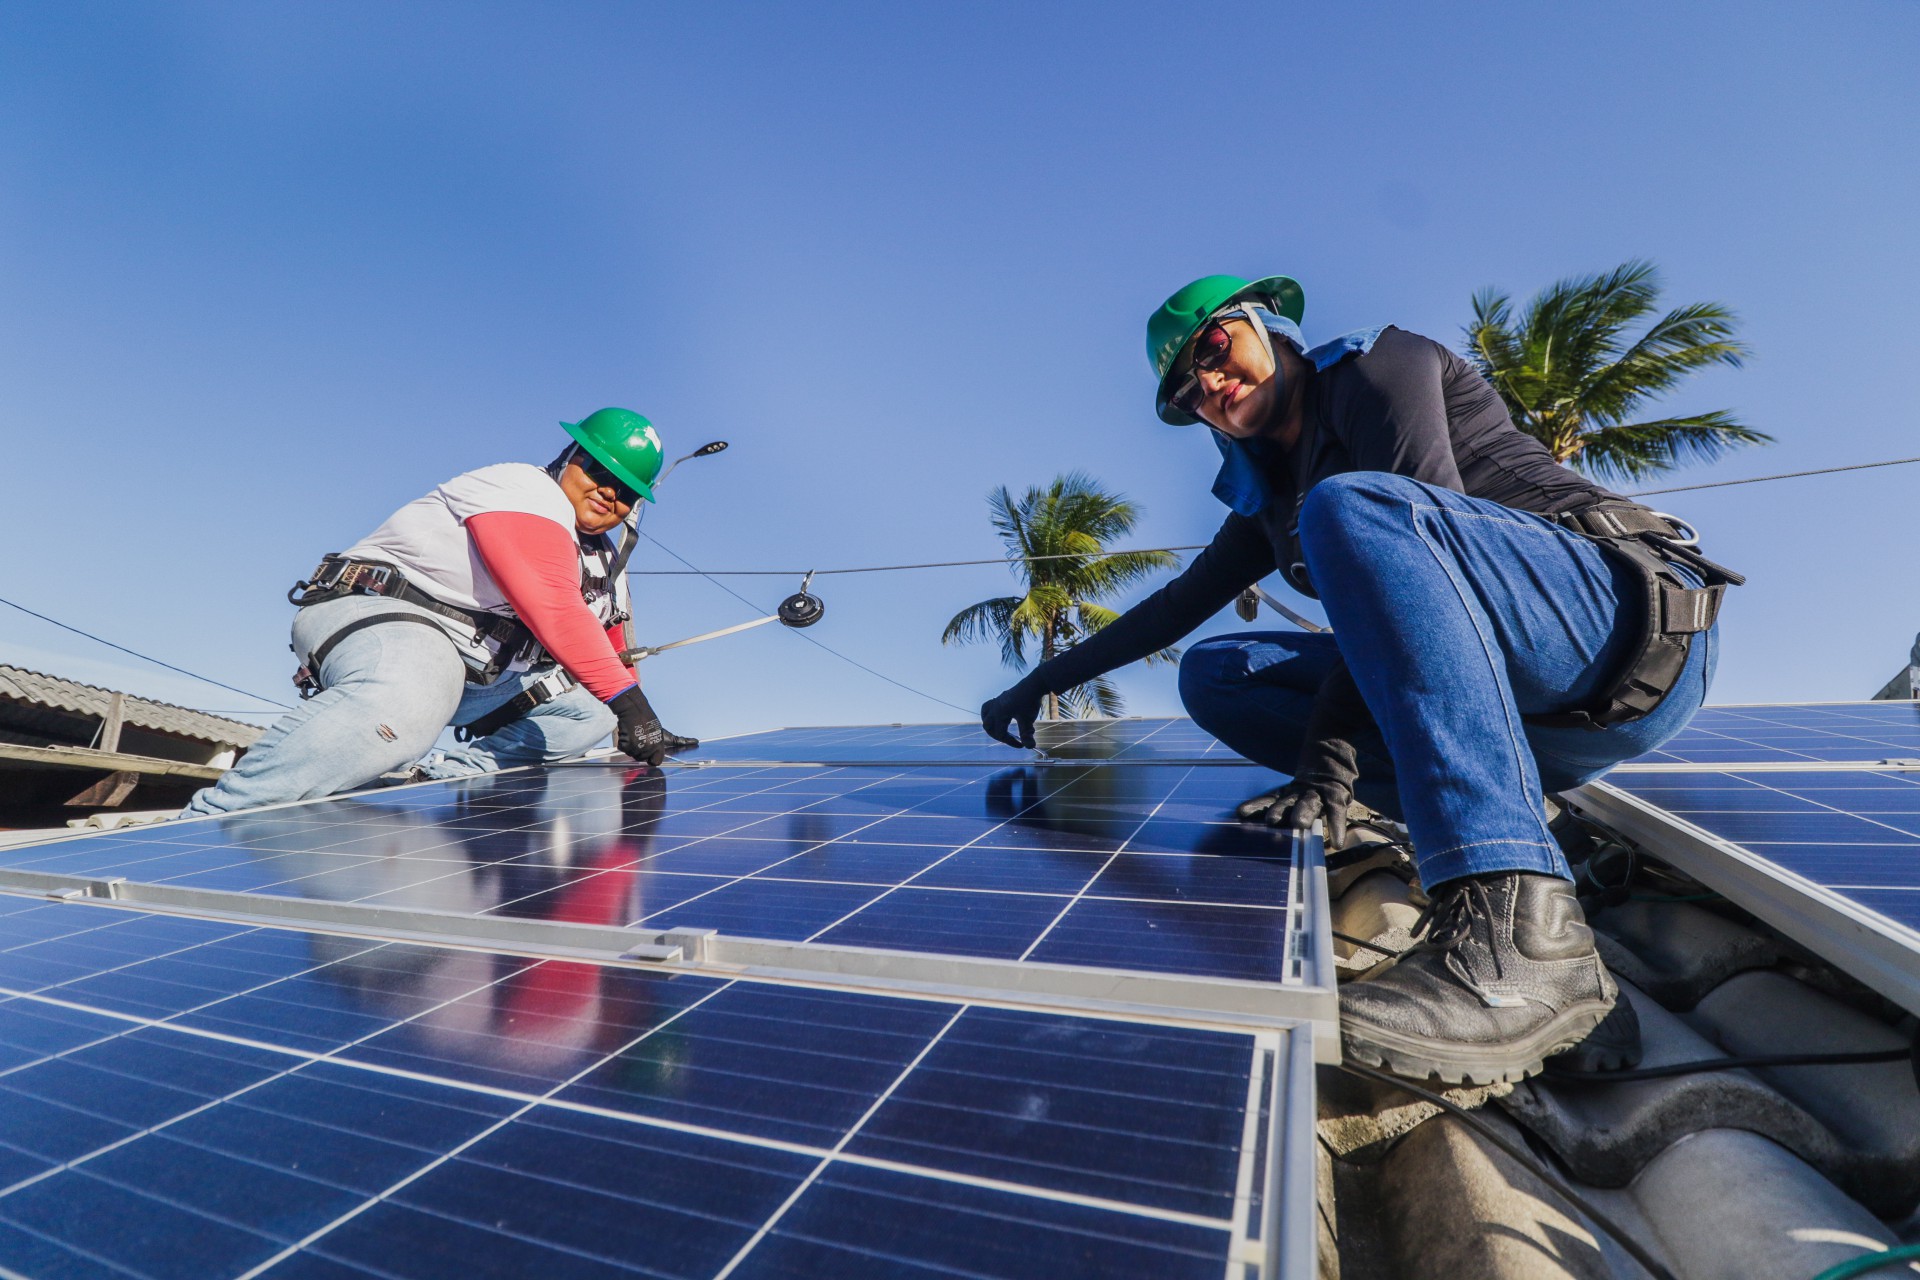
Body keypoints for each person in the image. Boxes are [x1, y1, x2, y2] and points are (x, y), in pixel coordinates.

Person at [978, 275, 1741, 1084]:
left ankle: (1520, 940)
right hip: (1527, 715)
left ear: (1267, 327)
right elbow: (1173, 610)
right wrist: (1040, 682)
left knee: (1353, 508)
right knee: (1217, 674)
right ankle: (1541, 869)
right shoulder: (1270, 499)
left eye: (1210, 348)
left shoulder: (1382, 369)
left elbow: (1428, 557)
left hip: (1626, 632)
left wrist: (1329, 764)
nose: (1205, 383)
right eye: (1183, 390)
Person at [184, 408, 697, 816]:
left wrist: (642, 714)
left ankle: (445, 776)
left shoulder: (606, 562)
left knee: (587, 713)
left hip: (476, 679)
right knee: (419, 688)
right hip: (381, 619)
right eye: (599, 470)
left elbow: (610, 646)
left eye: (628, 490)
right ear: (569, 455)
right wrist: (629, 704)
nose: (610, 492)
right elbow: (552, 605)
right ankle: (216, 818)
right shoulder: (523, 490)